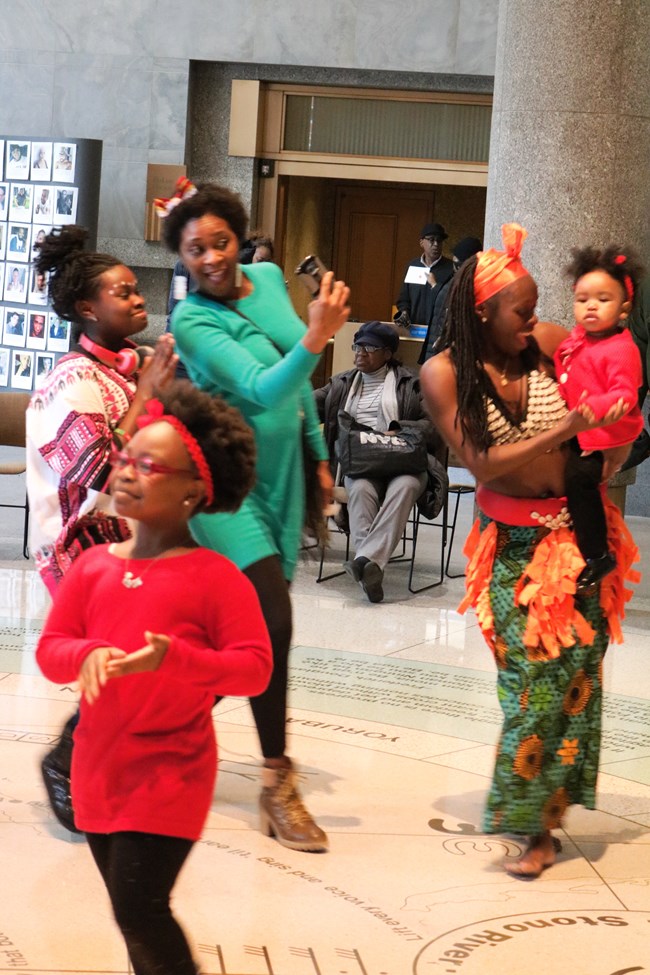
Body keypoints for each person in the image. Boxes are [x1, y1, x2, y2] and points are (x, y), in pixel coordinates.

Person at [420, 223, 639, 878]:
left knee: (575, 678)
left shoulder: (547, 343)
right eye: (523, 309)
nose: (537, 320)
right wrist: (569, 426)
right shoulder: (444, 373)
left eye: (539, 306)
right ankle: (527, 820)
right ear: (483, 312)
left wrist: (614, 440)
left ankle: (549, 813)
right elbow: (481, 464)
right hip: (512, 546)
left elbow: (611, 367)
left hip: (578, 533)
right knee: (528, 686)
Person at [36, 380, 273, 975]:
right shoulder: (92, 566)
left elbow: (255, 669)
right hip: (97, 768)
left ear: (195, 491)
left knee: (142, 911)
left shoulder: (217, 578)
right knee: (129, 912)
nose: (126, 472)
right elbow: (51, 650)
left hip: (171, 773)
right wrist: (84, 653)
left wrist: (179, 659)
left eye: (149, 464)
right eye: (125, 457)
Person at [161, 178, 350, 853]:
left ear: (240, 238)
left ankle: (138, 730)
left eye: (220, 241)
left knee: (235, 643)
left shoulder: (268, 278)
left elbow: (294, 395)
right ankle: (277, 779)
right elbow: (261, 382)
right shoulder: (192, 320)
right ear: (179, 257)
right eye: (194, 249)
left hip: (282, 481)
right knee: (271, 623)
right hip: (221, 484)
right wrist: (320, 337)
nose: (210, 257)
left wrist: (320, 454)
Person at [26, 226, 177, 832]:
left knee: (150, 661)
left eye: (139, 290)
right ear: (88, 308)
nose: (139, 300)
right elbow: (100, 476)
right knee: (119, 664)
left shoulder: (124, 365)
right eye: (124, 292)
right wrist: (147, 393)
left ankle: (105, 763)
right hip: (81, 550)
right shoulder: (74, 382)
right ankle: (67, 763)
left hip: (129, 541)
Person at [315, 320, 444, 602]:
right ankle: (371, 569)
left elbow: (435, 424)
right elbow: (308, 405)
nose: (360, 352)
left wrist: (399, 428)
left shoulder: (413, 383)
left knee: (407, 486)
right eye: (357, 346)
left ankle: (364, 561)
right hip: (362, 463)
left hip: (405, 461)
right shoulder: (341, 384)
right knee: (360, 489)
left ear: (388, 353)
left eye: (369, 347)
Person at [555, 245, 644, 590]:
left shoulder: (621, 347)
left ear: (624, 308)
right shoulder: (579, 338)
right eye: (582, 299)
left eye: (603, 299)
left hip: (603, 434)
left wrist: (598, 409)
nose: (591, 306)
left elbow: (625, 393)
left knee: (579, 479)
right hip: (580, 429)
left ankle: (597, 555)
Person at [393, 222, 453, 354]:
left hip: (437, 334)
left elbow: (450, 301)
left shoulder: (450, 268)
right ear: (421, 243)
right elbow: (404, 297)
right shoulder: (413, 266)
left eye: (439, 241)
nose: (436, 244)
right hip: (414, 331)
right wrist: (404, 312)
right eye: (431, 240)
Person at [422, 236, 483, 361]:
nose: (454, 264)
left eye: (457, 262)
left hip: (447, 354)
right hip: (439, 350)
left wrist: (434, 285)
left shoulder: (465, 287)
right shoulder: (456, 281)